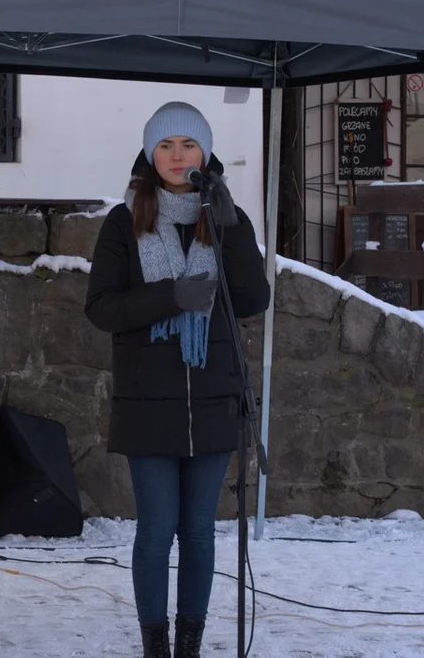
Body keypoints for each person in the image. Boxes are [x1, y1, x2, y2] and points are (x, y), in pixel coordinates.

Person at [84, 102, 270, 657]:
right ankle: (156, 645)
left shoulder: (226, 219)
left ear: (205, 154)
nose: (176, 155)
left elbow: (254, 300)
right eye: (165, 145)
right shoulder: (125, 221)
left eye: (188, 145)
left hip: (214, 395)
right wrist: (171, 296)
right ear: (149, 153)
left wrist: (230, 225)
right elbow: (102, 308)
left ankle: (190, 641)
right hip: (149, 401)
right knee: (157, 528)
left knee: (198, 531)